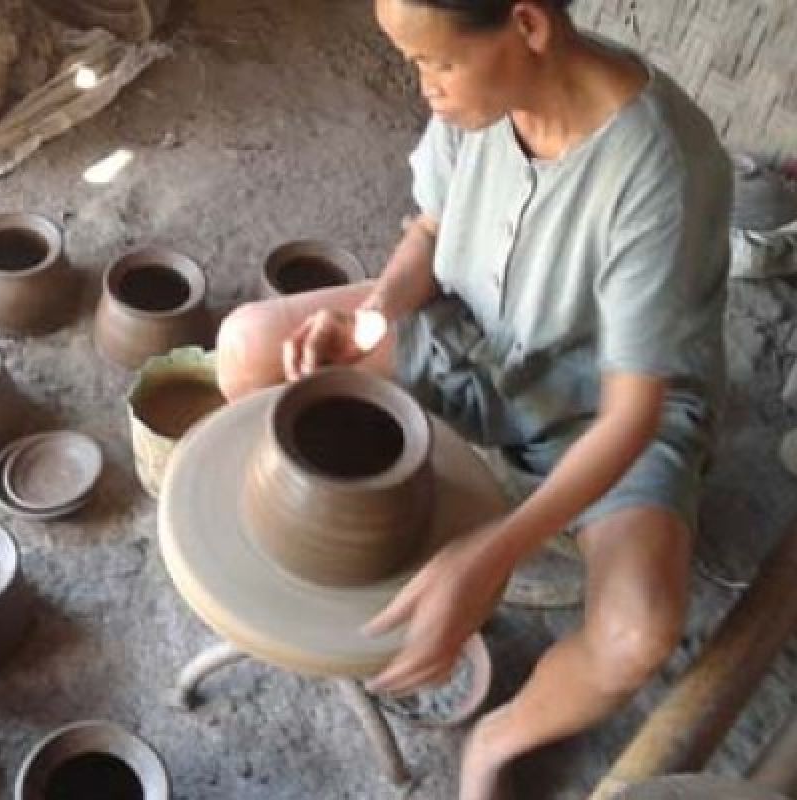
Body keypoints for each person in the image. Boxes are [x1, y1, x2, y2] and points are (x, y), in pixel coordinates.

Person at [214, 1, 732, 798]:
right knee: (252, 346)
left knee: (637, 632)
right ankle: (375, 561)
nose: (425, 86)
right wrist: (371, 317)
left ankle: (496, 740)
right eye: (413, 61)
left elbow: (631, 416)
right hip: (478, 337)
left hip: (605, 411)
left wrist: (491, 553)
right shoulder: (481, 97)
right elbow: (430, 230)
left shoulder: (663, 169)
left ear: (527, 26)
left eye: (438, 63)